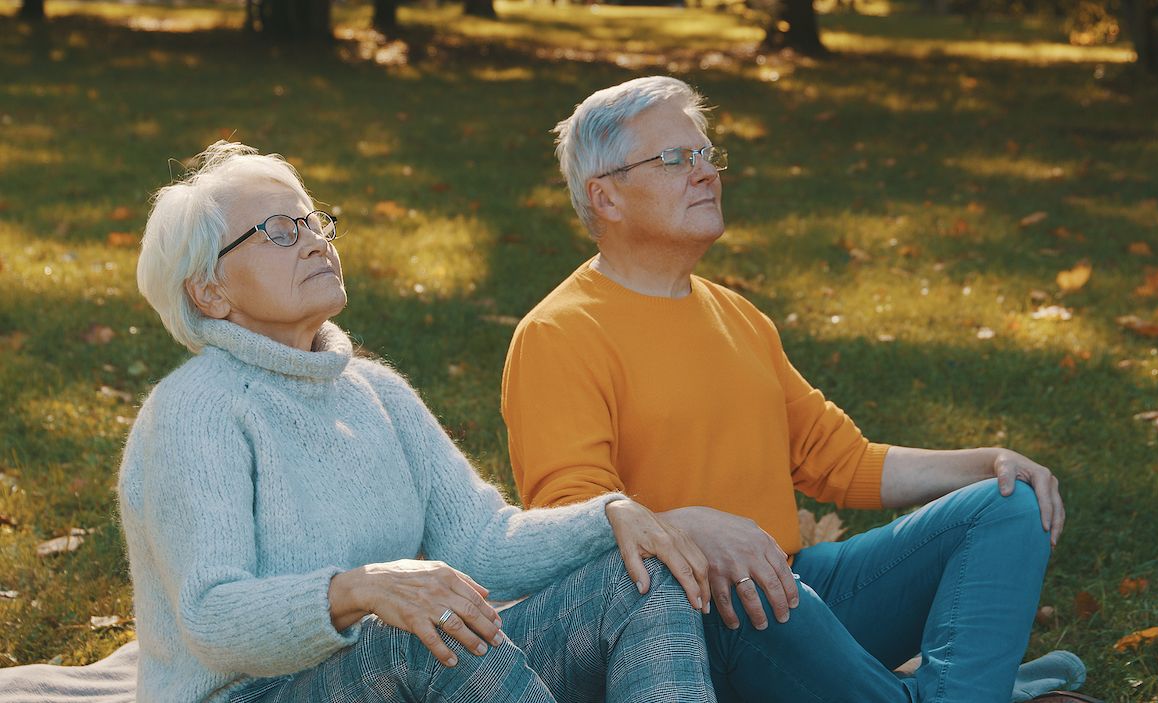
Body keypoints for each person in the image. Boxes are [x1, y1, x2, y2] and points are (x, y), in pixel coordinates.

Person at [501, 76, 1101, 703]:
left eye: (706, 154)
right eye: (675, 158)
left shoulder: (737, 316)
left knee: (1007, 506)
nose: (705, 173)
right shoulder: (560, 333)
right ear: (607, 198)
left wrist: (985, 463)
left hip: (794, 589)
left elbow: (838, 461)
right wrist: (690, 528)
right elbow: (567, 525)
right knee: (756, 593)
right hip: (699, 618)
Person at [115, 140, 717, 703]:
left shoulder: (376, 392)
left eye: (313, 222)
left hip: (395, 664)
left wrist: (610, 517)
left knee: (640, 577)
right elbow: (212, 616)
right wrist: (362, 589)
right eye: (277, 232)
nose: (314, 242)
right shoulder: (195, 410)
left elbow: (481, 544)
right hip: (245, 693)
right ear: (209, 293)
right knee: (432, 632)